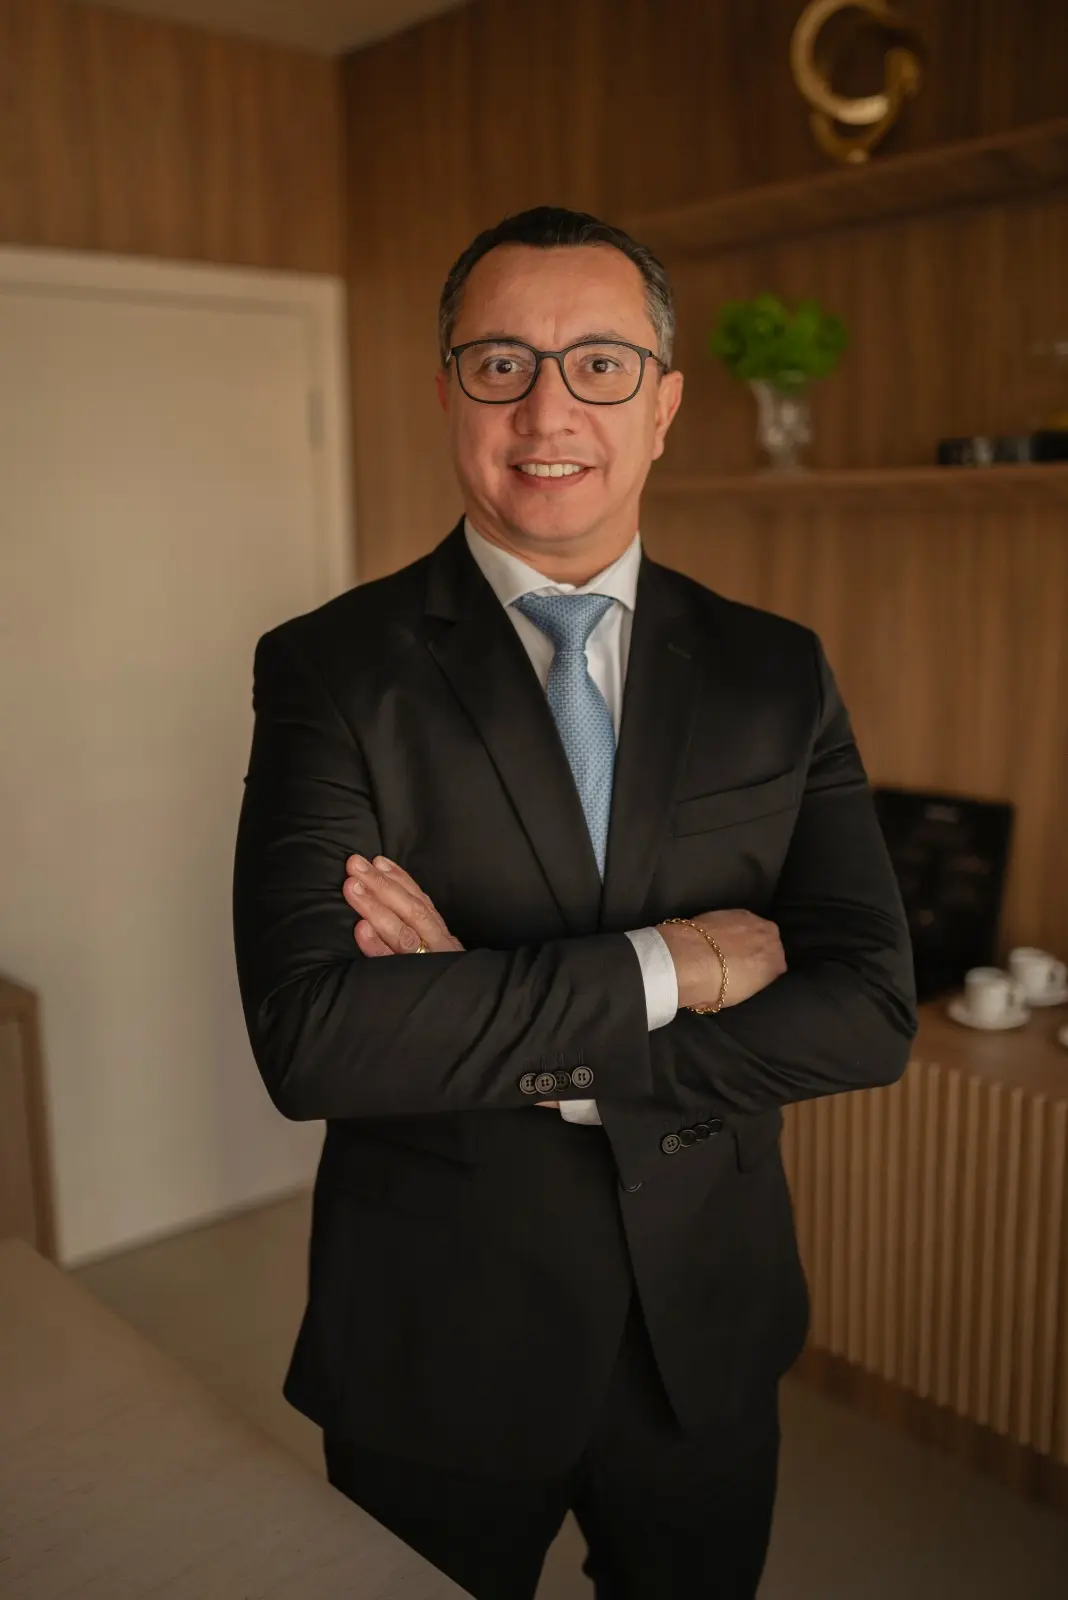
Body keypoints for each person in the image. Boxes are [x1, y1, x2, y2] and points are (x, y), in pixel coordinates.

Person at [232, 205, 917, 1600]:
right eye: (501, 363)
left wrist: (491, 1022)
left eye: (601, 364)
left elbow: (869, 1013)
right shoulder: (332, 670)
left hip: (703, 1329)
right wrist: (674, 964)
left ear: (664, 404)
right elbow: (315, 1041)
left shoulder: (774, 669)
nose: (548, 411)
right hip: (438, 1336)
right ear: (447, 393)